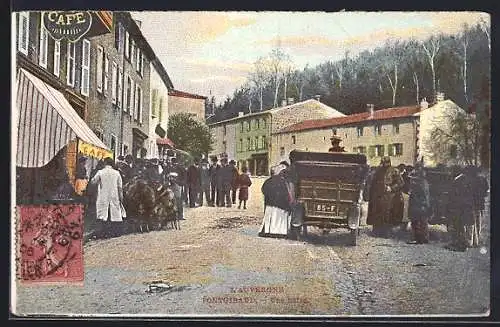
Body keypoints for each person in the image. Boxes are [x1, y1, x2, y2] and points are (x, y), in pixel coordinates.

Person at [366, 156, 405, 237]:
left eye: (386, 162)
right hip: (377, 196)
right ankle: (376, 231)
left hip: (388, 196)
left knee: (387, 214)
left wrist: (391, 188)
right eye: (383, 162)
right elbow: (372, 182)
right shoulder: (377, 171)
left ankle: (386, 232)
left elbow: (401, 183)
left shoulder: (394, 171)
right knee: (376, 213)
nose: (384, 164)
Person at [89, 157, 126, 238]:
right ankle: (114, 232)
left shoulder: (100, 172)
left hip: (103, 195)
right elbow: (120, 188)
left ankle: (103, 233)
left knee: (103, 214)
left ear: (105, 163)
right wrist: (121, 198)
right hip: (114, 195)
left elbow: (93, 182)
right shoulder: (117, 173)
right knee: (114, 214)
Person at [446, 166, 475, 251]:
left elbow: (455, 196)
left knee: (459, 227)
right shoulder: (466, 180)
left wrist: (451, 206)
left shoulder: (459, 181)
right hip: (464, 208)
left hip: (459, 208)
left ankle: (460, 246)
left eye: (452, 171)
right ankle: (460, 244)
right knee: (460, 227)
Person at [259, 164, 292, 238]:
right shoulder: (283, 181)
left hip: (270, 204)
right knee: (280, 216)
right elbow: (286, 194)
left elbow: (264, 190)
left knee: (270, 217)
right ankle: (280, 232)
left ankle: (268, 231)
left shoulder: (268, 181)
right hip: (281, 205)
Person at [407, 162, 431, 244]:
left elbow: (417, 193)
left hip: (417, 204)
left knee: (416, 221)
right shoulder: (424, 180)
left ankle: (418, 239)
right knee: (423, 222)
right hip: (423, 204)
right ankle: (424, 238)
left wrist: (412, 191)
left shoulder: (418, 181)